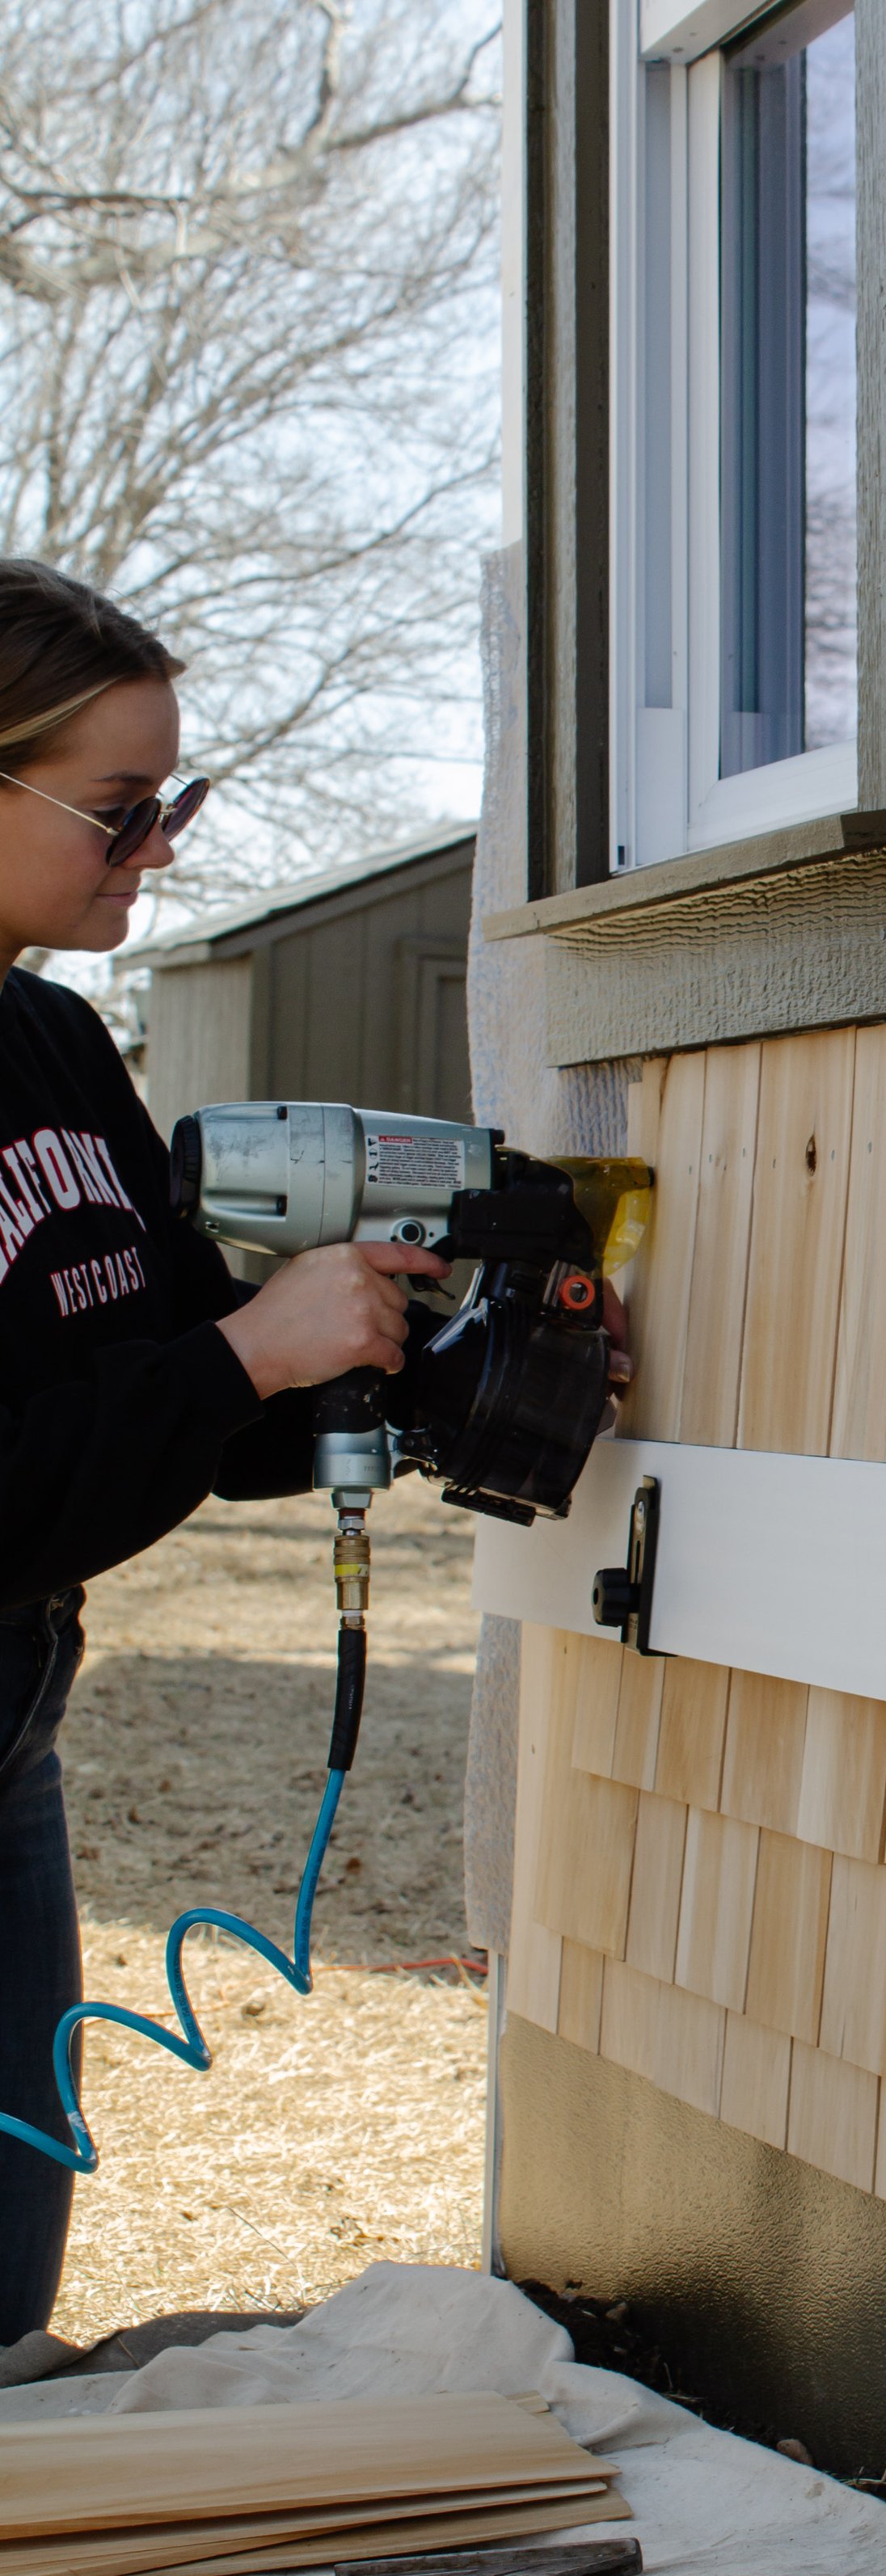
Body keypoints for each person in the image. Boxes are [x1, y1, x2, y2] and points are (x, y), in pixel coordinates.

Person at [0, 559, 449, 2346]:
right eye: (120, 810)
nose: (158, 848)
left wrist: (405, 1371)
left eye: (171, 802)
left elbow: (176, 1377)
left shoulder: (50, 1040)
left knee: (9, 2285)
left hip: (12, 1735)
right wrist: (248, 1353)